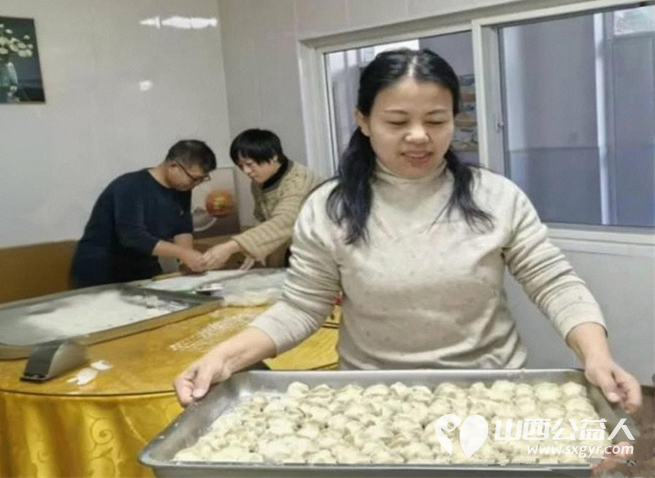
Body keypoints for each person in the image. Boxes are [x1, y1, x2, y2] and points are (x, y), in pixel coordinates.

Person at [175, 50, 641, 423]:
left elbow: (554, 283)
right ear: (363, 120)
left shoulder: (495, 197)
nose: (419, 136)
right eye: (397, 122)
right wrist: (226, 357)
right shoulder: (330, 208)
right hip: (375, 402)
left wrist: (596, 355)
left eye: (436, 121)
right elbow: (302, 306)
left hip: (490, 395)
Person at [70, 140, 216, 288]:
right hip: (103, 271)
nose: (195, 184)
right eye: (194, 178)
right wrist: (183, 254)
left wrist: (187, 262)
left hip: (143, 268)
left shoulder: (182, 189)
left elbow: (182, 228)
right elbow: (132, 237)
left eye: (201, 179)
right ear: (173, 166)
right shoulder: (130, 186)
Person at [199, 129, 321, 271]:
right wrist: (253, 253)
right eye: (241, 166)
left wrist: (230, 247)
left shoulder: (299, 181)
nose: (246, 171)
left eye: (249, 164)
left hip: (318, 251)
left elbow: (284, 221)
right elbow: (261, 218)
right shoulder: (258, 182)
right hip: (290, 249)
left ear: (273, 156)